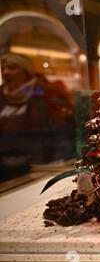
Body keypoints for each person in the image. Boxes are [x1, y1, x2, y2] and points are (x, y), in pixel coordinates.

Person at [0, 53, 75, 182]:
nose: (6, 73)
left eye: (12, 68)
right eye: (3, 68)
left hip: (40, 169)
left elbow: (64, 131)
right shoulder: (1, 96)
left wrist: (59, 162)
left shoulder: (47, 92)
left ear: (26, 72)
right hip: (6, 171)